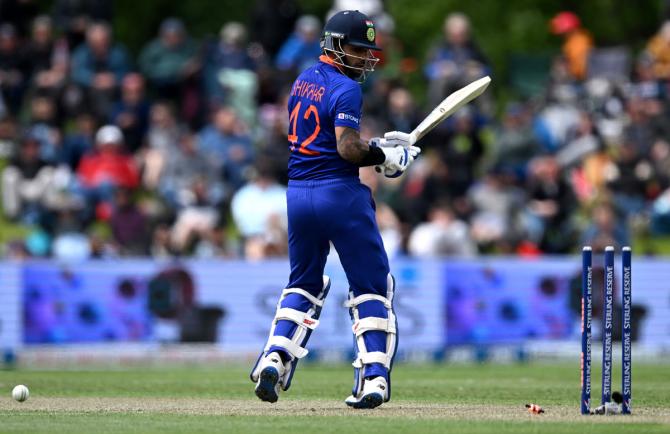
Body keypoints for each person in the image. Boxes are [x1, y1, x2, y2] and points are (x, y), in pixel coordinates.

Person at [250, 10, 420, 409]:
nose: (365, 59)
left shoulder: (303, 79)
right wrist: (385, 155)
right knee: (373, 286)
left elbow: (327, 139)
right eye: (359, 50)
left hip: (298, 194)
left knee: (303, 283)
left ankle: (274, 356)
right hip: (339, 194)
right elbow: (346, 148)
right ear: (337, 45)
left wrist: (376, 148)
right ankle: (375, 378)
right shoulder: (347, 89)